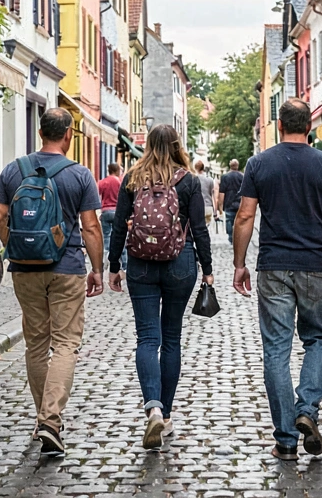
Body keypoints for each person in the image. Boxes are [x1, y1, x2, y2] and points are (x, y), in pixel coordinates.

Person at [232, 98, 322, 461]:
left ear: (280, 123)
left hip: (273, 265)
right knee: (317, 339)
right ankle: (308, 409)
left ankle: (286, 440)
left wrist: (240, 263)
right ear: (309, 125)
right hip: (315, 265)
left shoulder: (259, 164)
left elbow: (244, 216)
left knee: (276, 350)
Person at [0, 108, 105, 457]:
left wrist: (15, 247)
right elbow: (89, 226)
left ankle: (43, 417)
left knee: (36, 344)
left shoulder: (14, 169)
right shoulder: (80, 175)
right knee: (66, 344)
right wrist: (97, 268)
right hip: (67, 266)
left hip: (24, 269)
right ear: (68, 134)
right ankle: (50, 420)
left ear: (40, 132)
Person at [108, 125, 214, 451]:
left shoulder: (132, 179)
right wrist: (208, 270)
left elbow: (118, 228)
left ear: (148, 146)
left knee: (147, 337)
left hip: (140, 264)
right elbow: (198, 229)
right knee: (171, 338)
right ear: (176, 145)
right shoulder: (189, 181)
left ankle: (152, 406)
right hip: (180, 265)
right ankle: (165, 416)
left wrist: (114, 266)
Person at [97, 163, 122, 252]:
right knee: (119, 235)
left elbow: (96, 195)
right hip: (117, 211)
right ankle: (123, 262)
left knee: (106, 236)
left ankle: (106, 257)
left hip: (105, 211)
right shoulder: (120, 182)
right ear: (117, 171)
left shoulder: (103, 182)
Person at [217, 159, 244, 237]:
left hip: (229, 203)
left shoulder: (225, 177)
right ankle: (239, 236)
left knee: (229, 221)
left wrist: (220, 206)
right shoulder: (242, 176)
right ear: (237, 166)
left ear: (230, 165)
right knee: (240, 222)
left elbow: (222, 192)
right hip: (240, 203)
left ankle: (230, 237)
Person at [194, 161, 217, 228]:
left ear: (196, 168)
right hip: (208, 207)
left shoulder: (194, 179)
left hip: (197, 207)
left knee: (198, 229)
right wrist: (215, 211)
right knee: (206, 229)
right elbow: (213, 195)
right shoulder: (210, 180)